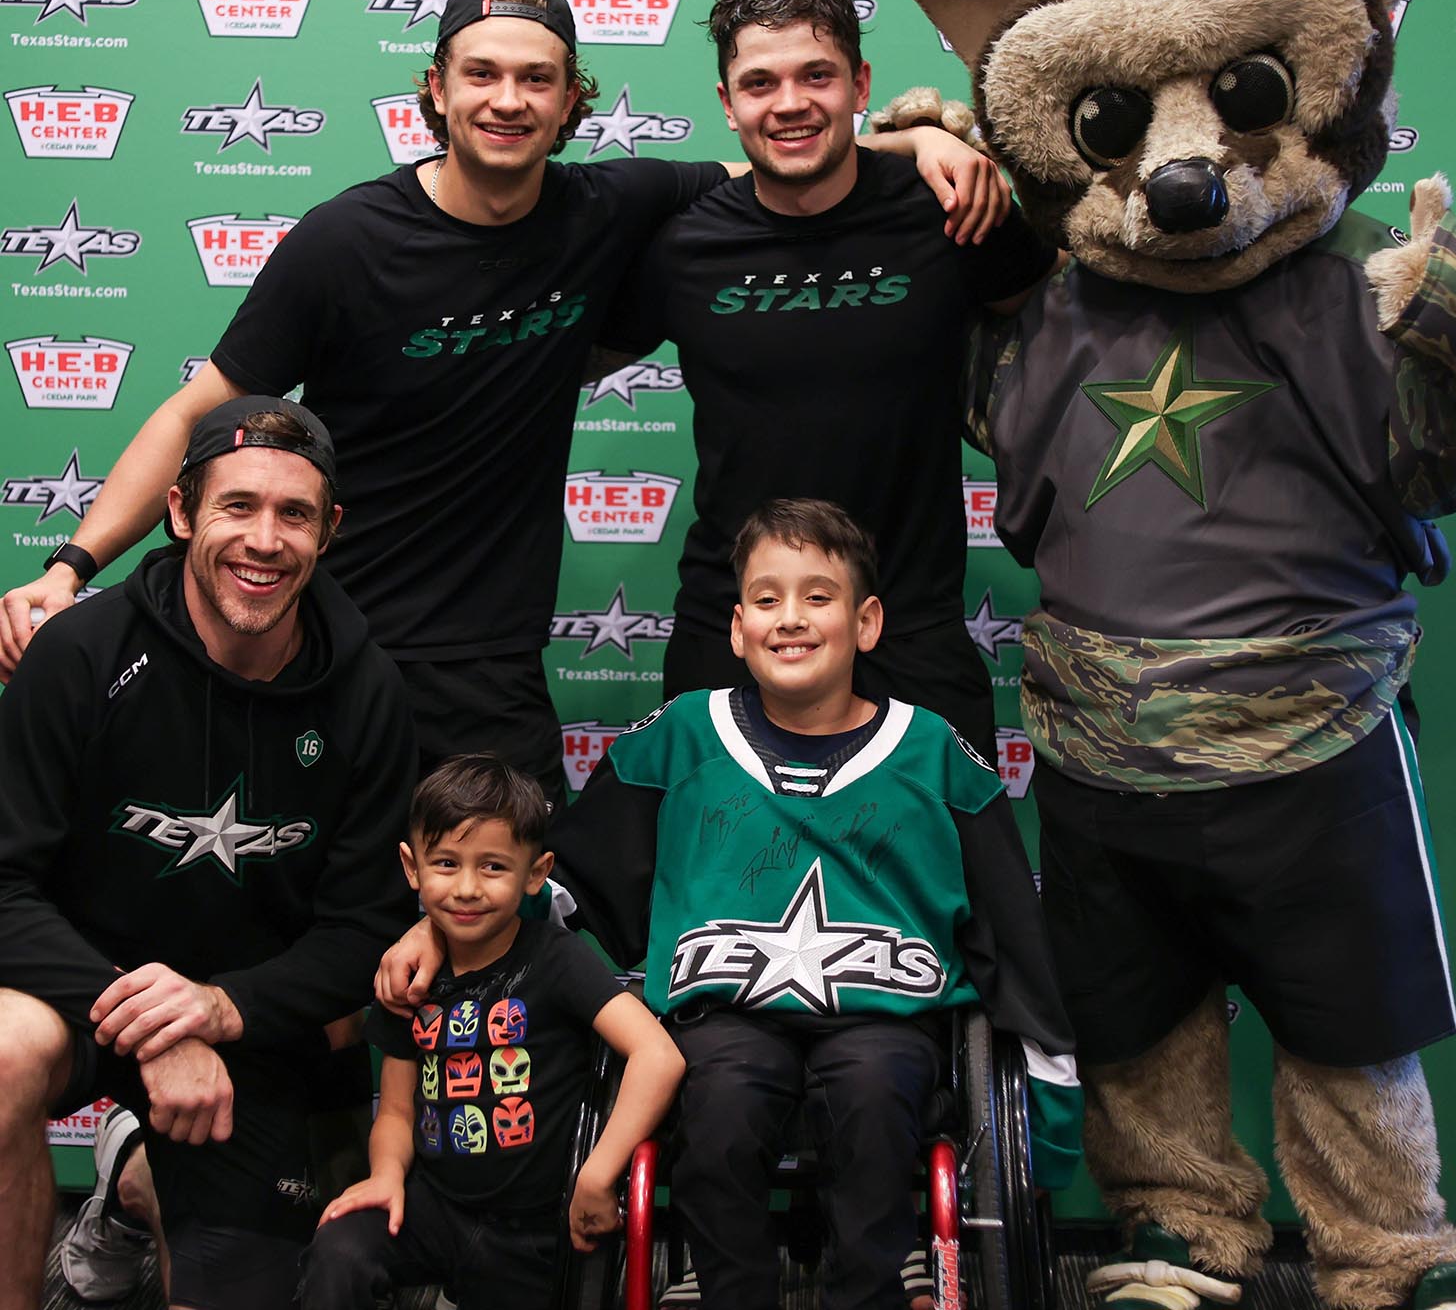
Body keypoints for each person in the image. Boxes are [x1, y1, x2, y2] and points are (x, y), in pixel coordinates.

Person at [0, 0, 1002, 809]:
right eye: (481, 74)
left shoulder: (617, 208)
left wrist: (918, 143)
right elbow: (199, 411)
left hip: (491, 667)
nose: (508, 100)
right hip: (323, 635)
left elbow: (790, 157)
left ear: (571, 102)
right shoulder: (345, 242)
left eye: (536, 78)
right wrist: (70, 564)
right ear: (435, 91)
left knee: (518, 930)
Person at [383, 499, 1081, 1310]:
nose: (792, 618)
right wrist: (440, 931)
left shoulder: (933, 752)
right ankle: (724, 1286)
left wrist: (1050, 1109)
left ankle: (878, 1284)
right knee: (718, 1104)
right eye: (767, 598)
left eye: (818, 597)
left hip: (885, 1020)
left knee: (874, 1093)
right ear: (739, 627)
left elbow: (1012, 933)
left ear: (866, 623)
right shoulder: (681, 736)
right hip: (723, 1016)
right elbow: (563, 882)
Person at [0, 395, 417, 1310]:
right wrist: (154, 1025)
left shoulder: (369, 694)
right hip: (77, 994)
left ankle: (136, 1180)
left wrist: (220, 1009)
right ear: (182, 512)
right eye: (238, 506)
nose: (264, 540)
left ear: (329, 531)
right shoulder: (79, 655)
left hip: (246, 1031)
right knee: (2, 1050)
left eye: (294, 514)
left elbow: (363, 933)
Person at [591, 0, 1061, 758]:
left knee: (949, 842)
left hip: (908, 627)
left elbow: (1078, 326)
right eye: (760, 83)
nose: (790, 103)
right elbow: (554, 362)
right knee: (712, 842)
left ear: (859, 83)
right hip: (734, 627)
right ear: (727, 103)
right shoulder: (682, 244)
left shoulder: (950, 209)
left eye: (817, 75)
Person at [299, 754, 683, 1310]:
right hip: (434, 1207)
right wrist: (385, 1175)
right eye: (445, 863)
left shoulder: (556, 959)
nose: (467, 888)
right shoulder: (411, 978)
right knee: (340, 1251)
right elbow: (398, 1112)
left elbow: (658, 1056)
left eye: (493, 867)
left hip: (537, 1230)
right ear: (411, 866)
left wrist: (598, 1174)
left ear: (536, 873)